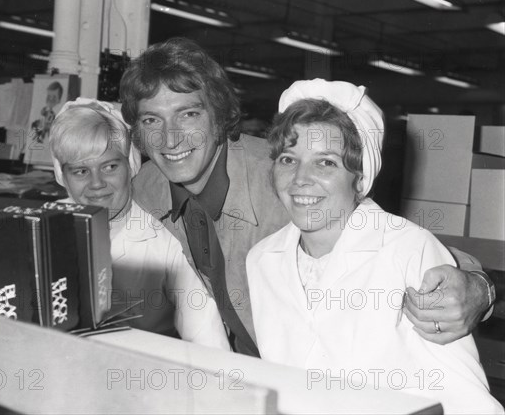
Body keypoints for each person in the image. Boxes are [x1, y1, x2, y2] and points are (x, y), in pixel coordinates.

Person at [120, 37, 494, 356]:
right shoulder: (143, 192)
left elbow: (398, 247)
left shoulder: (286, 178)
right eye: (152, 120)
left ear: (218, 116)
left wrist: (479, 289)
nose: (170, 139)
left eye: (187, 114)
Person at [246, 79, 502, 414]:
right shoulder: (262, 260)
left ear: (360, 175)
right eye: (288, 159)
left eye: (325, 162)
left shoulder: (407, 249)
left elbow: (465, 397)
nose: (300, 179)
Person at [49, 97, 230, 350]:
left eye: (110, 166)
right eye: (80, 171)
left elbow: (208, 344)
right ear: (62, 176)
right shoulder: (40, 231)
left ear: (131, 164)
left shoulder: (168, 241)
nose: (96, 183)